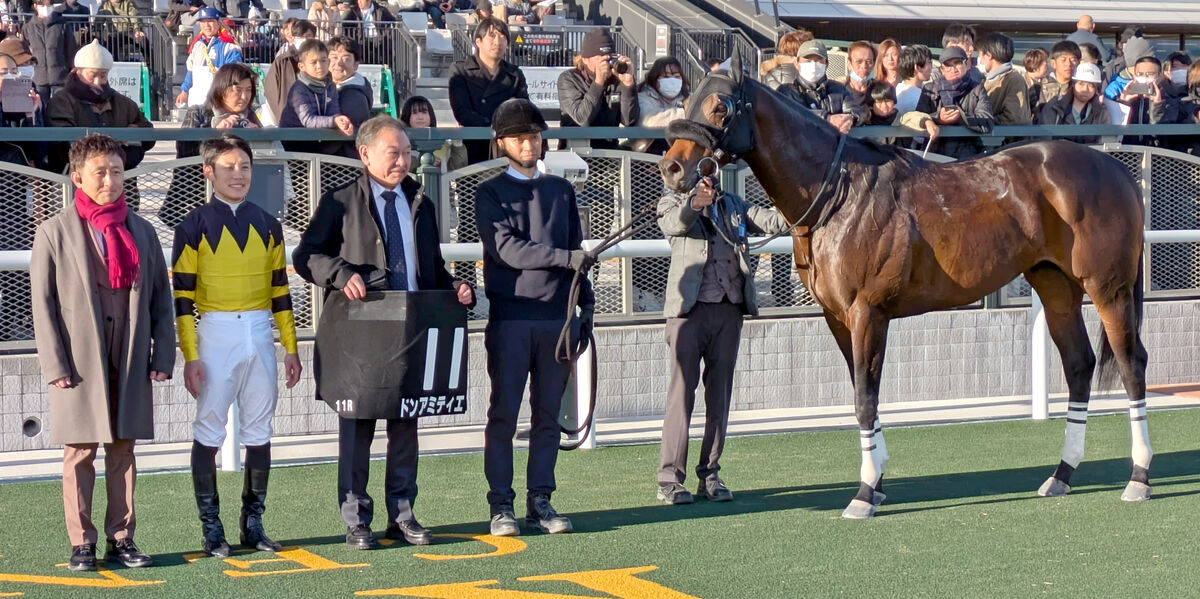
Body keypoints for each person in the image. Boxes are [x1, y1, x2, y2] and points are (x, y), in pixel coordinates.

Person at [293, 115, 473, 550]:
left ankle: (403, 514)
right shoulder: (339, 201)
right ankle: (357, 520)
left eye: (408, 152)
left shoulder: (421, 203)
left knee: (406, 424)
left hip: (409, 328)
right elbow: (306, 256)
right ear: (366, 153)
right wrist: (340, 274)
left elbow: (430, 268)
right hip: (359, 332)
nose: (403, 160)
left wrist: (455, 289)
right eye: (394, 153)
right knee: (357, 426)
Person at [31, 133, 175, 572]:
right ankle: (82, 543)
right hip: (78, 358)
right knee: (79, 451)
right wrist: (55, 364)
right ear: (77, 177)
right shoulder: (54, 232)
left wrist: (162, 356)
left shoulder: (142, 230)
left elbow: (159, 298)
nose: (110, 180)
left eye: (116, 171)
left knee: (123, 449)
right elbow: (43, 304)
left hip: (129, 351)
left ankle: (122, 538)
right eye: (100, 172)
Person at [172, 134, 301, 557]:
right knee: (209, 429)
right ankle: (211, 528)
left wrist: (290, 347)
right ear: (208, 171)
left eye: (244, 166)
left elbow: (281, 290)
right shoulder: (192, 225)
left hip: (261, 332)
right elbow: (183, 299)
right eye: (228, 167)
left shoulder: (269, 223)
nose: (238, 174)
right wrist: (190, 355)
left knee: (260, 430)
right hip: (215, 332)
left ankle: (254, 522)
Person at [474, 98, 591, 537]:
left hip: (557, 320)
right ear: (502, 142)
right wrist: (566, 259)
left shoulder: (562, 190)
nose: (530, 143)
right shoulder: (488, 192)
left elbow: (579, 255)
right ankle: (500, 504)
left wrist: (587, 308)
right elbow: (508, 251)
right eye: (520, 137)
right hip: (511, 319)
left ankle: (540, 499)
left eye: (535, 135)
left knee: (548, 417)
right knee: (503, 414)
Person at [654, 141, 789, 506]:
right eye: (701, 171)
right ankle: (670, 479)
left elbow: (773, 221)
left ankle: (710, 474)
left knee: (720, 398)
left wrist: (791, 192)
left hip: (729, 310)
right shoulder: (671, 201)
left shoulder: (733, 204)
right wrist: (694, 203)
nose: (707, 177)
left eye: (709, 170)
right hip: (688, 312)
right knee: (681, 395)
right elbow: (674, 224)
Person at [160, 63, 261, 228]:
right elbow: (186, 155)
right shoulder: (199, 113)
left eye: (248, 90)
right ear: (221, 90)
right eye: (238, 90)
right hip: (195, 200)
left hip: (240, 201)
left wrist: (258, 136)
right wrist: (215, 133)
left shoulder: (250, 118)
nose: (244, 97)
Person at [47, 40, 154, 176]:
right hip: (76, 183)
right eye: (92, 75)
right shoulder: (61, 101)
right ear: (78, 72)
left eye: (103, 75)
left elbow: (149, 133)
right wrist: (115, 144)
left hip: (122, 185)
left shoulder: (123, 103)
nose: (98, 81)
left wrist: (134, 133)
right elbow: (63, 142)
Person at [448, 17, 528, 164]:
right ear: (478, 41)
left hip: (506, 149)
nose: (497, 42)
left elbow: (523, 109)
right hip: (473, 145)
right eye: (491, 36)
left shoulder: (514, 74)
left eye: (503, 37)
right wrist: (494, 126)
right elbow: (462, 111)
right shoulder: (461, 71)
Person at [557, 28, 638, 149]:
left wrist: (628, 86)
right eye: (600, 58)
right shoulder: (569, 79)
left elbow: (629, 121)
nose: (606, 63)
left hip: (609, 153)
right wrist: (599, 82)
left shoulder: (617, 79)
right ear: (585, 59)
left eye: (609, 57)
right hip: (575, 153)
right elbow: (582, 119)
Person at [914, 46, 994, 159]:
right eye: (948, 65)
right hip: (934, 154)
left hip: (968, 155)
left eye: (957, 63)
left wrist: (961, 117)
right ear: (941, 69)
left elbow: (987, 121)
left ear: (967, 65)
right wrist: (938, 118)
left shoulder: (977, 88)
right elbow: (917, 117)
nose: (953, 69)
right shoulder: (930, 89)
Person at [278, 39, 356, 154]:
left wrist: (341, 122)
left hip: (318, 141)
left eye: (323, 60)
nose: (319, 66)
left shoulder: (330, 87)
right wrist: (334, 121)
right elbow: (308, 120)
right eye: (313, 62)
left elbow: (333, 112)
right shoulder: (298, 90)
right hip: (293, 144)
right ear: (301, 66)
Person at [779, 39, 866, 134]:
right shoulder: (786, 91)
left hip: (834, 147)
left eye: (819, 61)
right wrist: (827, 118)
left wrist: (850, 119)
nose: (813, 65)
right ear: (797, 64)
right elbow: (792, 113)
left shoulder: (838, 89)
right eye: (808, 61)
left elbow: (857, 112)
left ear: (827, 64)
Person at [176, 8, 244, 109]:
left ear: (218, 22)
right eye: (203, 22)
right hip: (197, 101)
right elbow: (191, 71)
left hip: (219, 102)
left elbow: (233, 75)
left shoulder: (229, 47)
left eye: (210, 21)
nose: (206, 26)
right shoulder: (197, 45)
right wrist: (184, 91)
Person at [1107, 53, 1179, 146]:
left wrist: (1157, 105)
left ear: (1159, 76)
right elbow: (1115, 129)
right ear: (1133, 76)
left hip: (1157, 154)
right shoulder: (1123, 98)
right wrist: (1123, 104)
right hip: (1127, 153)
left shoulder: (1170, 101)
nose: (1144, 77)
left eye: (1150, 74)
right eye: (1139, 74)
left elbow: (1159, 133)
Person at [23, 0, 77, 109]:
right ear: (35, 6)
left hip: (60, 76)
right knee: (40, 108)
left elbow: (71, 49)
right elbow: (24, 52)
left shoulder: (62, 25)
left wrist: (70, 68)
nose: (46, 8)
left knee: (61, 108)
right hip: (38, 77)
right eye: (42, 5)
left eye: (49, 5)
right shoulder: (28, 27)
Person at [1039, 62, 1109, 144]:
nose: (1085, 89)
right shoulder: (1055, 106)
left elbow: (1106, 142)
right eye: (1081, 84)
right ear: (1073, 84)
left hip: (1090, 155)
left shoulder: (1101, 111)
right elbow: (1044, 140)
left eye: (1091, 85)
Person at [265, 19, 317, 124]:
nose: (304, 40)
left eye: (308, 36)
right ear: (293, 38)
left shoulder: (319, 61)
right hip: (287, 119)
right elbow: (271, 90)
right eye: (300, 37)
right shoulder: (282, 61)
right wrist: (281, 114)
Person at [329, 35, 373, 159]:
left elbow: (344, 137)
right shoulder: (330, 88)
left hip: (344, 164)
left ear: (356, 65)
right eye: (334, 57)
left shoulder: (354, 96)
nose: (338, 63)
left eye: (346, 59)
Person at [635, 56, 688, 154]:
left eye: (676, 76)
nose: (672, 81)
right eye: (666, 76)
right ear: (655, 78)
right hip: (644, 156)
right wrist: (685, 113)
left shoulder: (689, 98)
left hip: (680, 157)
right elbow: (649, 120)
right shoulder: (642, 97)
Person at [977, 32, 1031, 126]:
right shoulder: (988, 80)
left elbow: (1014, 117)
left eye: (980, 55)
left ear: (989, 55)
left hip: (1008, 140)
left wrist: (982, 123)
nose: (980, 60)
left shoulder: (1014, 80)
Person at [400, 95, 466, 171]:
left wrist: (457, 144)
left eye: (424, 112)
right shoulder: (399, 141)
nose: (420, 117)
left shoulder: (443, 144)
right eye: (415, 113)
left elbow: (458, 168)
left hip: (441, 182)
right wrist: (424, 162)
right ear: (407, 115)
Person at [1037, 41, 1081, 112]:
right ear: (1053, 63)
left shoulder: (1081, 87)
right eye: (1063, 60)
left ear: (1079, 63)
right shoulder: (1039, 86)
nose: (1068, 64)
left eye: (1073, 60)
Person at [895, 44, 932, 115]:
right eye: (929, 63)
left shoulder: (899, 88)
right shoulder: (915, 97)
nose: (931, 67)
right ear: (917, 68)